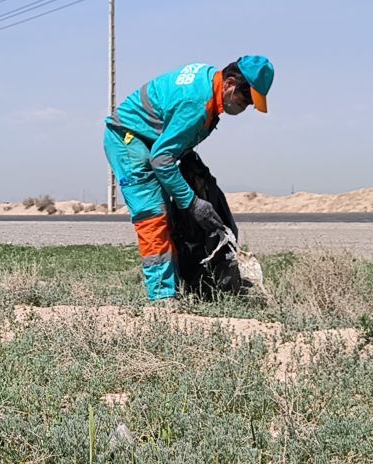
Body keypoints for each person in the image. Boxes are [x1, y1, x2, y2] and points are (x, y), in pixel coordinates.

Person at [103, 55, 273, 301]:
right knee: (153, 215)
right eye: (245, 99)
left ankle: (182, 285)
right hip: (128, 140)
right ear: (230, 84)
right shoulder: (197, 103)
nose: (245, 107)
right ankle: (162, 298)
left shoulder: (210, 85)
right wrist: (192, 203)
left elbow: (171, 136)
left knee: (173, 217)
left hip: (150, 142)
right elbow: (161, 159)